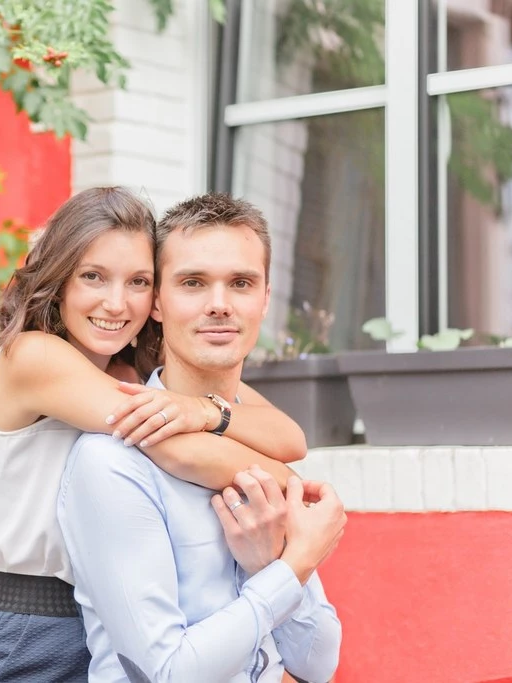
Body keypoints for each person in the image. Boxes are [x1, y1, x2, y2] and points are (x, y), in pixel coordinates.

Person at [0, 187, 312, 683]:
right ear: (58, 279)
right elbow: (180, 449)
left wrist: (206, 410)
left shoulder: (132, 371)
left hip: (109, 620)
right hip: (37, 626)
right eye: (92, 277)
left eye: (138, 281)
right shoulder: (32, 357)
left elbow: (288, 434)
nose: (115, 301)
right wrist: (294, 486)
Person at [57, 192, 346, 683]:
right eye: (193, 283)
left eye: (240, 283)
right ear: (157, 304)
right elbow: (166, 674)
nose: (219, 305)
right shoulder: (112, 462)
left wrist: (264, 565)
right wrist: (293, 564)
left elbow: (317, 665)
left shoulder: (258, 449)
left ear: (265, 298)